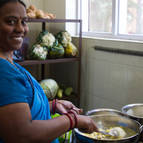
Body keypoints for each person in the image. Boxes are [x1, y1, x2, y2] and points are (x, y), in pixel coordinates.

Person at [0, 0, 98, 143]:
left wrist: (52, 105)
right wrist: (73, 120)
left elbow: (18, 108)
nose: (20, 29)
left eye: (24, 21)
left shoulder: (11, 64)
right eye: (11, 21)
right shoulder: (3, 72)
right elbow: (23, 135)